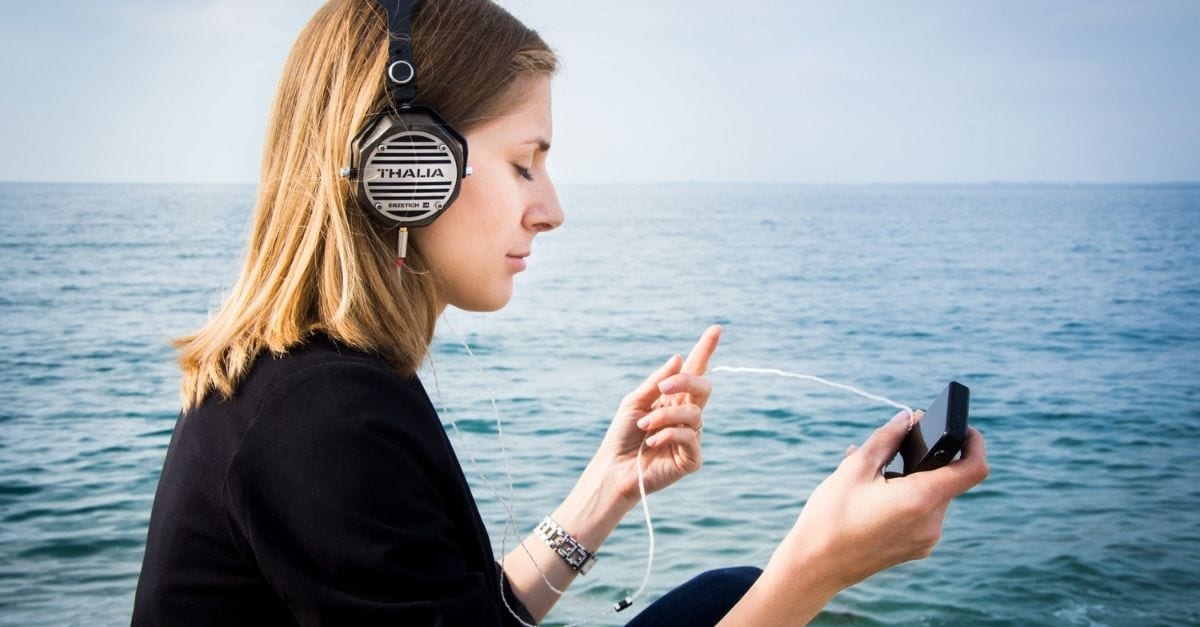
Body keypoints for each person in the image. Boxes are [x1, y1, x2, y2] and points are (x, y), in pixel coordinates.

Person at [132, 0, 989, 625]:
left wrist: (607, 491)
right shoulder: (317, 420)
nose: (552, 209)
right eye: (524, 163)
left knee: (730, 590)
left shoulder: (315, 382)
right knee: (759, 593)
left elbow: (461, 616)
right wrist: (818, 567)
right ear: (404, 166)